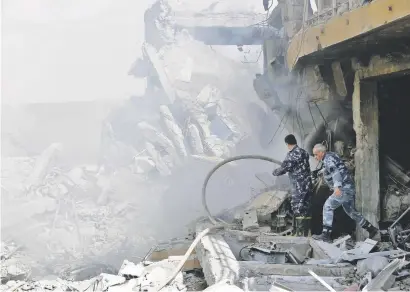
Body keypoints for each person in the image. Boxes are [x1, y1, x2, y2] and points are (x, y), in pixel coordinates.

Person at [312, 143, 379, 242]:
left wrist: (337, 187)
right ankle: (371, 229)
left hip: (343, 188)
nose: (315, 157)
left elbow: (335, 172)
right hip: (349, 188)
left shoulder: (328, 159)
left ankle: (325, 235)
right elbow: (337, 167)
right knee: (351, 211)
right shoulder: (331, 155)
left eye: (316, 154)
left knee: (328, 206)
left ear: (321, 153)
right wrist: (321, 171)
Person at [272, 134, 312, 236]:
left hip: (299, 185)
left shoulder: (292, 154)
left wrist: (275, 172)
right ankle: (306, 233)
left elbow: (284, 168)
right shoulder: (304, 152)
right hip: (307, 184)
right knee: (305, 207)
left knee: (297, 207)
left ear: (287, 144)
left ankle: (299, 233)